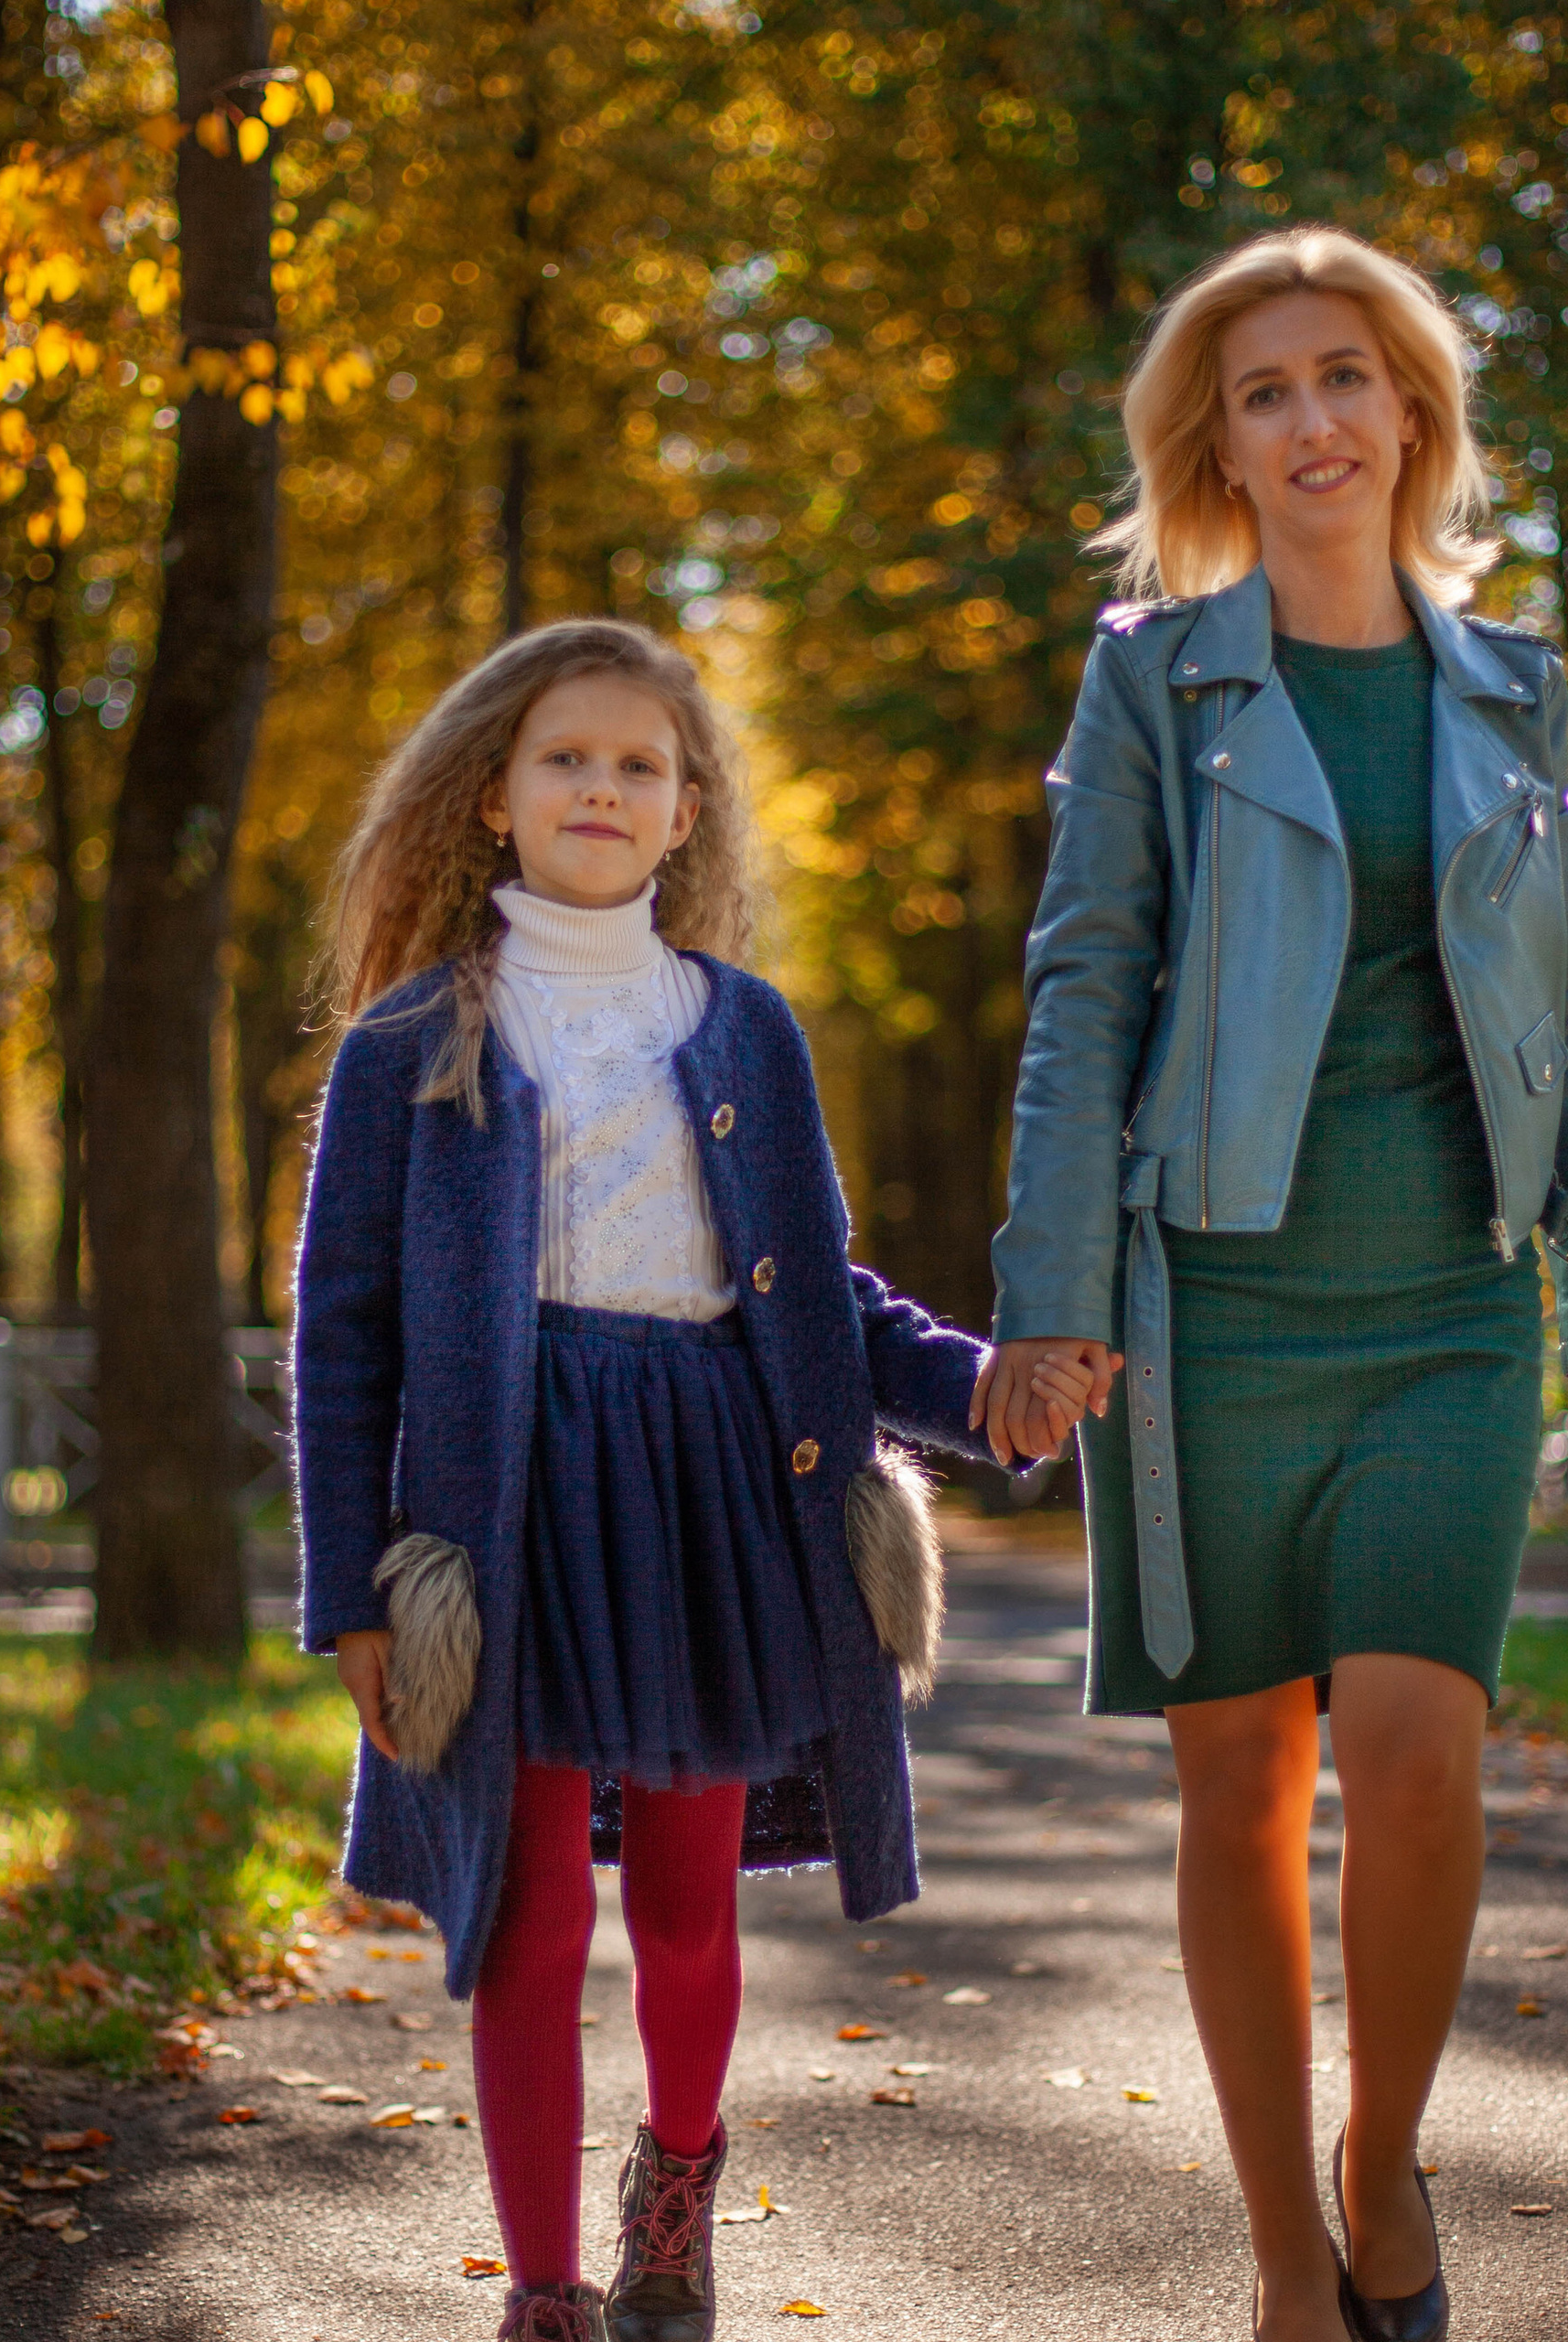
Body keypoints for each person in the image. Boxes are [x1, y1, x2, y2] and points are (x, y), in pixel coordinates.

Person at [972, 226, 1568, 2342]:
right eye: (1261, 390)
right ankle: (1283, 2250)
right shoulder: (1151, 674)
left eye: (1343, 374)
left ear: (1411, 412)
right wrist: (1044, 1284)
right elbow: (1083, 986)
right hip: (1206, 1309)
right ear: (1221, 442)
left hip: (1450, 1296)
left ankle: (1384, 2153)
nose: (1310, 419)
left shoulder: (1508, 683)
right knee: (1240, 1785)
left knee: (1415, 1743)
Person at [293, 618, 1087, 2342]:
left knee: (679, 1903)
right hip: (503, 1521)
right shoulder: (406, 1045)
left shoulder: (748, 1034)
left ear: (687, 812)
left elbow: (828, 1299)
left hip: (714, 1488)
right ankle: (546, 2287)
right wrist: (347, 1589)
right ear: (493, 798)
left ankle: (675, 2176)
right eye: (566, 757)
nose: (602, 784)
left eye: (638, 764)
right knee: (526, 1906)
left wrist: (983, 1391)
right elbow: (342, 1338)